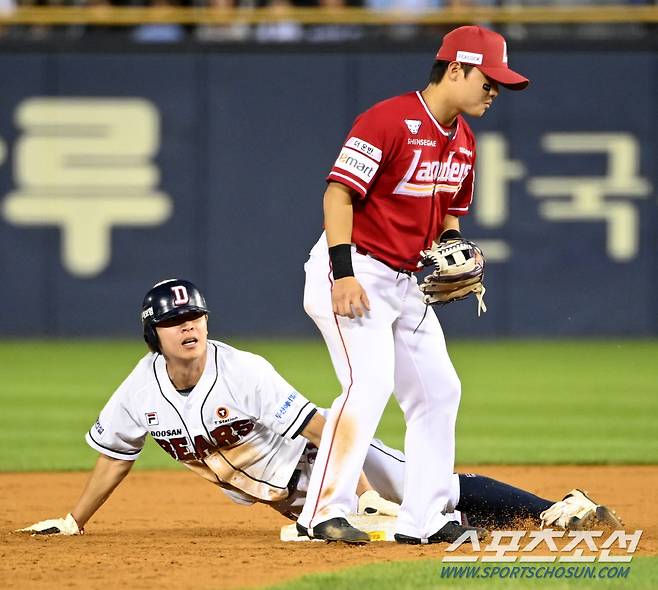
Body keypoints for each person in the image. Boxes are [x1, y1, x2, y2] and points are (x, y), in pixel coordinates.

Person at [18, 279, 622, 540]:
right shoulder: (138, 391)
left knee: (425, 490)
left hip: (329, 464)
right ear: (154, 335)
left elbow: (327, 424)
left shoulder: (243, 369)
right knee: (398, 511)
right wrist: (74, 521)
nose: (188, 327)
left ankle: (554, 511)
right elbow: (115, 458)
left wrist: (353, 491)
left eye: (194, 316)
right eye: (174, 322)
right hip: (290, 490)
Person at [296, 25, 530, 545]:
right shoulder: (389, 119)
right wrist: (343, 271)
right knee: (370, 383)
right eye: (488, 79)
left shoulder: (463, 140)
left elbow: (448, 214)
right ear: (455, 69)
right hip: (355, 268)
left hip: (405, 282)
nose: (494, 91)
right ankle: (321, 511)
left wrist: (454, 246)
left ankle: (425, 518)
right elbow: (339, 196)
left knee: (440, 390)